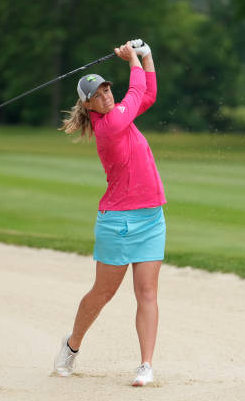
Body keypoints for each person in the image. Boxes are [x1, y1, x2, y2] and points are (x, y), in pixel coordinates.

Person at [53, 39, 166, 386]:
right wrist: (133, 59)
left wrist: (146, 57)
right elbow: (135, 93)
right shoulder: (110, 125)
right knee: (102, 293)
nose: (105, 96)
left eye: (106, 89)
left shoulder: (120, 116)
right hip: (118, 221)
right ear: (88, 106)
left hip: (150, 218)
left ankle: (145, 365)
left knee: (147, 293)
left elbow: (147, 95)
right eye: (98, 94)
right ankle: (71, 346)